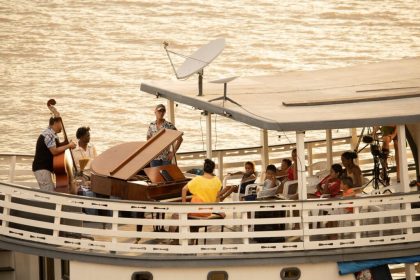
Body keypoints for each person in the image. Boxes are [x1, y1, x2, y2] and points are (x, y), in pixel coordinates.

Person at [169, 159, 223, 236]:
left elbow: (184, 189)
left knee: (175, 215)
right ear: (213, 169)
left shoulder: (198, 179)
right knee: (186, 214)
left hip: (196, 211)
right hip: (207, 212)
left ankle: (173, 238)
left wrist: (183, 205)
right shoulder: (217, 181)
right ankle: (190, 238)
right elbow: (217, 198)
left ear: (203, 168)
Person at [32, 117, 76, 192]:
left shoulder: (52, 134)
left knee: (50, 192)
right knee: (49, 193)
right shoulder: (48, 135)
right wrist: (68, 145)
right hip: (42, 169)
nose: (62, 127)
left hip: (45, 169)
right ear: (56, 123)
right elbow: (54, 151)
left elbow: (57, 147)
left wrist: (68, 145)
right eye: (61, 124)